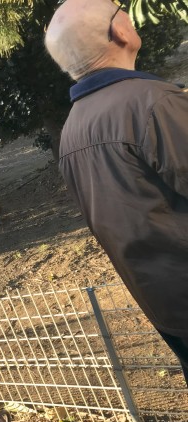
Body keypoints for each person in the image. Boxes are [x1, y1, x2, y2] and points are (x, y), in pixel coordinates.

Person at [45, 0, 188, 382]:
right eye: (119, 8)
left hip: (163, 303)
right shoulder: (153, 102)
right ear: (120, 31)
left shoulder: (72, 130)